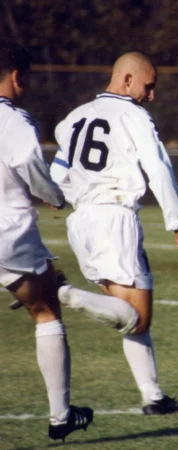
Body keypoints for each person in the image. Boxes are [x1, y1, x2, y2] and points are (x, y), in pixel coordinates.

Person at [49, 52, 178, 415]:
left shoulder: (73, 118)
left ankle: (154, 398)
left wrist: (61, 198)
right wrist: (177, 221)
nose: (151, 96)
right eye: (149, 86)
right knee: (138, 319)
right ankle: (63, 292)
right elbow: (158, 169)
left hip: (81, 222)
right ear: (127, 79)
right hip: (115, 218)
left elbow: (57, 174)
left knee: (130, 317)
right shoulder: (134, 116)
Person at [0, 40, 94, 441]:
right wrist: (56, 196)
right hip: (9, 232)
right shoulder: (15, 122)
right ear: (18, 76)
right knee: (46, 310)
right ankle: (60, 417)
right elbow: (28, 166)